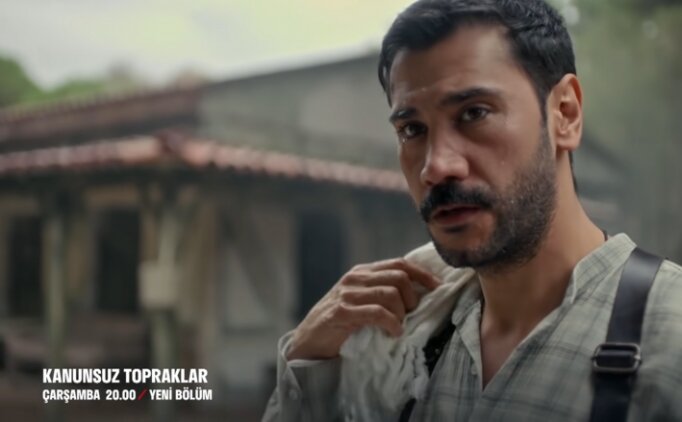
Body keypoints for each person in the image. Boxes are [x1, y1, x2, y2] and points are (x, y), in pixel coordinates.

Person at [262, 0, 682, 420]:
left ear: (565, 114)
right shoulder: (406, 330)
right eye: (412, 129)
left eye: (474, 113)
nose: (435, 167)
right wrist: (309, 359)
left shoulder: (669, 337)